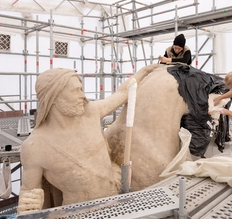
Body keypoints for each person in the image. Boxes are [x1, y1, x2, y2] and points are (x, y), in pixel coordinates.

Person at [17, 65, 158, 214]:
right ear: (53, 97)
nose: (83, 97)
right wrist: (27, 207)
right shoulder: (35, 146)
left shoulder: (91, 112)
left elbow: (123, 93)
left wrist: (144, 71)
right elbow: (29, 192)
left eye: (81, 89)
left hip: (116, 201)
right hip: (78, 214)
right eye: (75, 91)